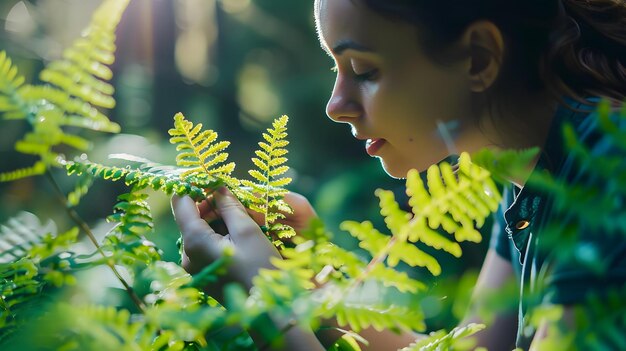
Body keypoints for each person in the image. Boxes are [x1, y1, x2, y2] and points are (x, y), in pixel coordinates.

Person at [171, 0, 626, 349]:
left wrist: (271, 307)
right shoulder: (536, 172)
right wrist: (311, 286)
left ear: (478, 58)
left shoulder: (611, 176)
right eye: (336, 68)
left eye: (364, 70)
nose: (335, 105)